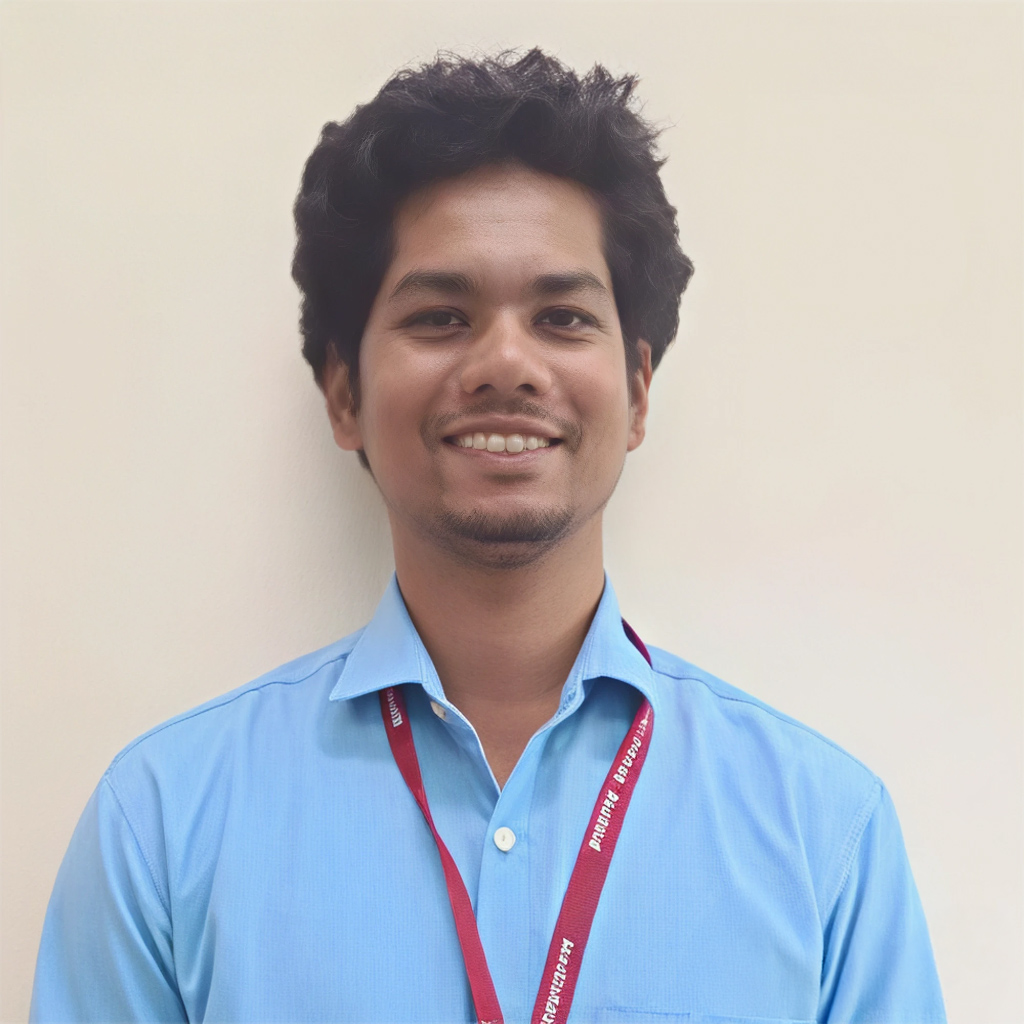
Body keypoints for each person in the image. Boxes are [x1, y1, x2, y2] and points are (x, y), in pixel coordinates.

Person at [30, 49, 945, 1024]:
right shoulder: (163, 824)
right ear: (344, 395)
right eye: (440, 317)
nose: (506, 362)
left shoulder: (825, 835)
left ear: (638, 393)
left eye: (561, 317)